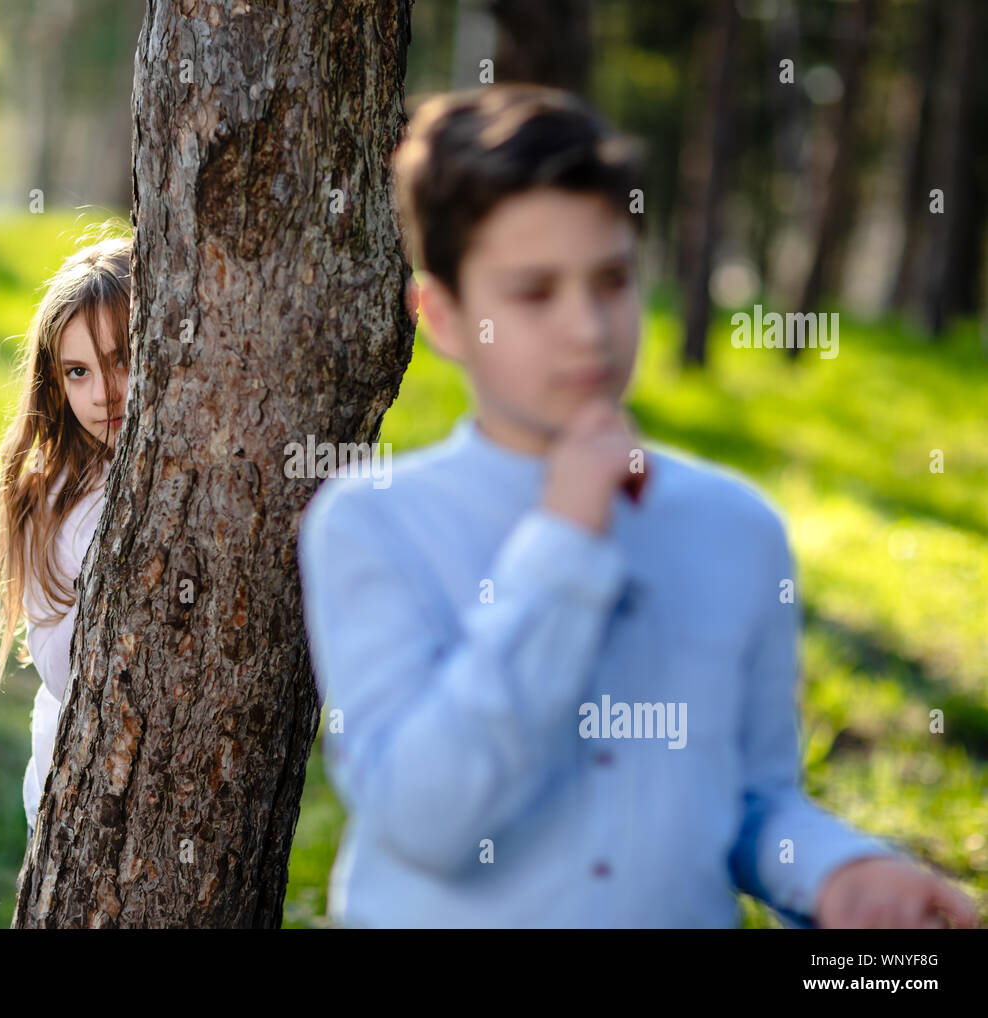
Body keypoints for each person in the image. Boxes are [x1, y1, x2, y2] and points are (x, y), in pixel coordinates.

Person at [297, 85, 979, 929]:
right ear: (442, 315)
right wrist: (564, 542)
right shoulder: (372, 524)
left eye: (611, 279)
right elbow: (429, 819)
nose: (587, 327)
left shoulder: (735, 526)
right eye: (535, 293)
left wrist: (841, 875)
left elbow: (753, 800)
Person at [0, 234, 133, 847]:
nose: (103, 393)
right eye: (79, 372)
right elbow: (61, 666)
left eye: (123, 359)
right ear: (55, 381)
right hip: (75, 779)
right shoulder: (52, 499)